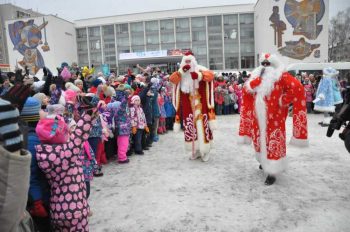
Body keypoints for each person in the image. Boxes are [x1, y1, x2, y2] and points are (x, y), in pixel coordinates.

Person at [238, 53, 308, 185]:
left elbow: (298, 89)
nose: (265, 66)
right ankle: (263, 161)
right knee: (260, 140)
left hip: (274, 117)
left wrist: (283, 100)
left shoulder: (281, 76)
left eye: (267, 64)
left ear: (273, 65)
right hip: (258, 116)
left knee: (273, 142)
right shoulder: (256, 75)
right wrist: (253, 84)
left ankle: (272, 170)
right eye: (263, 64)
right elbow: (246, 90)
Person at [169, 51, 216, 162]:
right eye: (186, 61)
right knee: (191, 128)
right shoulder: (181, 73)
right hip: (188, 107)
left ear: (194, 61)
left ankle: (206, 150)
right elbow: (172, 79)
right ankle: (196, 150)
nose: (188, 64)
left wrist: (200, 76)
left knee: (203, 127)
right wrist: (181, 71)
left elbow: (211, 76)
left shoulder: (200, 69)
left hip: (201, 105)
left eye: (190, 61)